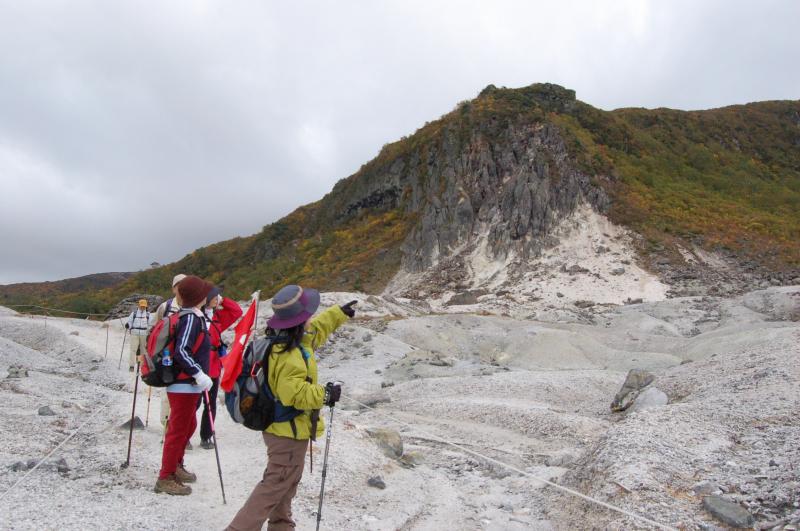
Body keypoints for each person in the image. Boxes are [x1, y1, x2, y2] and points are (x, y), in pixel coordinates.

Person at [225, 285, 356, 531]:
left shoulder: (287, 340)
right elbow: (292, 393)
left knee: (286, 480)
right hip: (287, 431)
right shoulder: (289, 354)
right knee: (276, 483)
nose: (310, 319)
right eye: (308, 315)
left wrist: (338, 313)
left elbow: (315, 332)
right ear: (299, 320)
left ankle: (282, 525)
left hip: (283, 428)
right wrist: (325, 394)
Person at [154, 275, 215, 496]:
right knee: (178, 431)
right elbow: (181, 351)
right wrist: (199, 374)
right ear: (200, 297)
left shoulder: (194, 316)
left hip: (188, 384)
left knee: (187, 426)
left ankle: (176, 466)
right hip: (184, 383)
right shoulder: (191, 318)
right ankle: (165, 477)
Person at [196, 286, 242, 449]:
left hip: (213, 366)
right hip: (196, 365)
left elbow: (237, 311)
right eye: (215, 296)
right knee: (193, 403)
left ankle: (206, 436)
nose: (218, 298)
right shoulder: (195, 316)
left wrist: (223, 301)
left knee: (210, 404)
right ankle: (184, 434)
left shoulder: (218, 317)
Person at [155, 273, 186, 429]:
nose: (182, 288)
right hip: (167, 355)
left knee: (185, 394)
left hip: (186, 356)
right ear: (173, 288)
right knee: (168, 391)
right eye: (179, 285)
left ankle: (180, 427)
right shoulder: (165, 307)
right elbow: (155, 330)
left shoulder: (195, 307)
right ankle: (167, 426)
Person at [125, 299, 150, 372]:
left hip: (144, 334)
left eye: (144, 306)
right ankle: (131, 366)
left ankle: (141, 365)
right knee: (133, 349)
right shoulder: (134, 314)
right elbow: (129, 322)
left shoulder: (148, 315)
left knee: (143, 350)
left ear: (146, 306)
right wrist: (128, 325)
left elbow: (151, 325)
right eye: (141, 306)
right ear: (138, 306)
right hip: (134, 333)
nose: (142, 307)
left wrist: (150, 332)